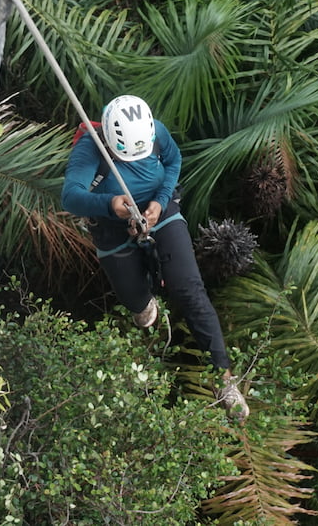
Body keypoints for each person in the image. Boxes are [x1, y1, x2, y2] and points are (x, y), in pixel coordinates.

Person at [61, 95, 249, 421]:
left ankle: (224, 379)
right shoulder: (91, 148)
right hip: (112, 226)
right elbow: (71, 196)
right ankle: (144, 302)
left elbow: (173, 162)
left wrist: (160, 202)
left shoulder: (155, 133)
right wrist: (111, 205)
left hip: (158, 214)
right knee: (136, 301)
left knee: (189, 290)